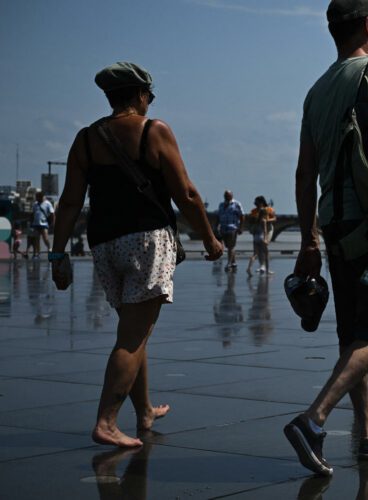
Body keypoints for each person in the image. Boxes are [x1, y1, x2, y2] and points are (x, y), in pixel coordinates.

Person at [49, 62, 223, 447]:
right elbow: (187, 195)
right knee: (132, 337)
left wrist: (57, 254)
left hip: (105, 245)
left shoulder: (85, 139)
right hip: (147, 242)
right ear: (141, 95)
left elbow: (69, 202)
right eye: (150, 96)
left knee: (134, 328)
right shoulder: (154, 131)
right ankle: (106, 422)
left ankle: (143, 410)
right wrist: (209, 238)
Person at [286, 0, 368, 476]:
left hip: (336, 227)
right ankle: (313, 419)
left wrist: (309, 240)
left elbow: (304, 173)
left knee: (352, 332)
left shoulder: (316, 90)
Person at [216, 190, 244, 271]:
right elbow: (218, 216)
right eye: (225, 195)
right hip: (223, 228)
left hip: (232, 228)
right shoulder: (221, 205)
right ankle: (234, 262)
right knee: (228, 246)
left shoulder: (236, 204)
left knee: (231, 246)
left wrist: (240, 227)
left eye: (228, 195)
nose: (226, 197)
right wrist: (216, 226)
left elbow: (242, 216)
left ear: (231, 195)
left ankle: (229, 263)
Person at [248, 196, 275, 273]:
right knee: (262, 250)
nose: (255, 204)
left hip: (268, 229)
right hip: (261, 231)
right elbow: (250, 220)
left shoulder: (269, 209)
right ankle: (263, 266)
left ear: (261, 202)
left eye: (256, 202)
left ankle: (261, 266)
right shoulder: (254, 211)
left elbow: (274, 218)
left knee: (259, 250)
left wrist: (267, 220)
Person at [246, 206, 271, 276]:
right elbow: (265, 231)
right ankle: (267, 270)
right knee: (266, 254)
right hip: (261, 238)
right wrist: (266, 240)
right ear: (265, 214)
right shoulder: (263, 220)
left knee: (255, 254)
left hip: (255, 238)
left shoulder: (256, 220)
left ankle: (249, 268)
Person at [30, 191, 54, 258]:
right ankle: (37, 253)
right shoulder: (35, 204)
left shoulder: (47, 203)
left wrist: (52, 223)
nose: (36, 198)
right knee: (36, 239)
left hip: (44, 224)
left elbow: (52, 213)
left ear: (41, 197)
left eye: (37, 197)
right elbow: (32, 213)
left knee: (45, 238)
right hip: (36, 224)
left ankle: (50, 249)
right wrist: (31, 222)